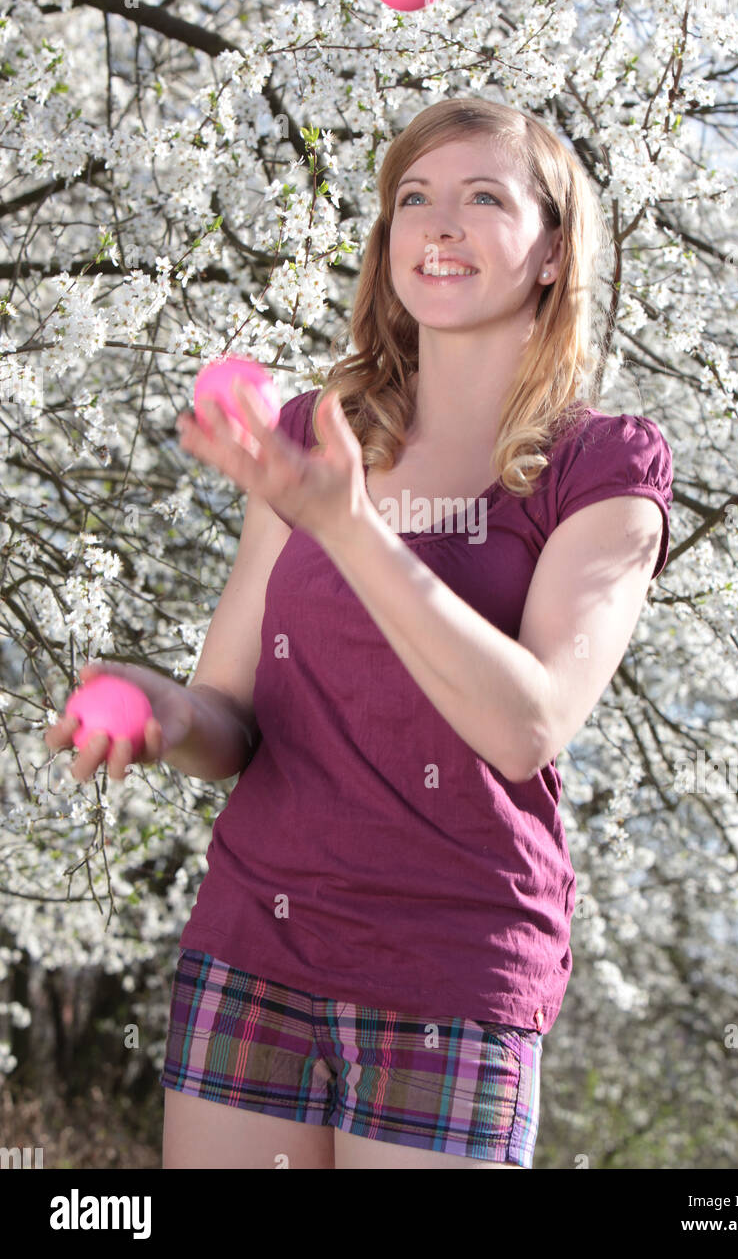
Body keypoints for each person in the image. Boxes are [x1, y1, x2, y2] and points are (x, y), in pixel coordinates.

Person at [46, 97, 673, 1169]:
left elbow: (527, 724)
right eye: (411, 201)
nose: (437, 224)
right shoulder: (309, 438)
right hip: (254, 946)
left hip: (450, 971)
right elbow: (228, 720)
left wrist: (349, 526)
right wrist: (160, 709)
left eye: (482, 197)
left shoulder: (601, 468)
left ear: (554, 252)